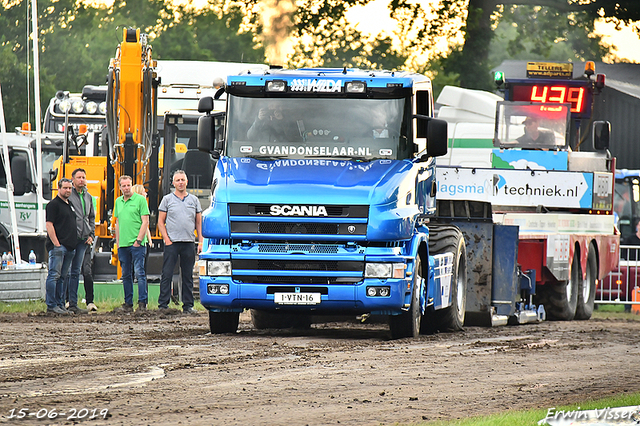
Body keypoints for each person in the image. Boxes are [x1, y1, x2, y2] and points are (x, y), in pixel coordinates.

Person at [157, 170, 203, 314]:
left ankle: (188, 306)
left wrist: (200, 241)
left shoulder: (194, 200)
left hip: (188, 242)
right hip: (172, 242)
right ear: (173, 183)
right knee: (167, 273)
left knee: (188, 275)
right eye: (178, 180)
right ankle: (163, 305)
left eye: (183, 180)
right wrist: (166, 239)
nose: (180, 182)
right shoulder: (167, 200)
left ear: (187, 182)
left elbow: (199, 222)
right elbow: (160, 221)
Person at [113, 175, 150, 313]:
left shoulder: (140, 200)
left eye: (129, 185)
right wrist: (118, 242)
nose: (126, 188)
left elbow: (145, 221)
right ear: (120, 187)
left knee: (139, 273)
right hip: (123, 245)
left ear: (131, 185)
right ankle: (128, 304)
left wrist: (138, 241)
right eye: (124, 186)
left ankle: (142, 303)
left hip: (137, 244)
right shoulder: (118, 201)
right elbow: (117, 222)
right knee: (126, 275)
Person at [64, 168, 95, 315]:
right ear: (73, 179)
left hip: (84, 240)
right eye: (79, 177)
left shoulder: (88, 196)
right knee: (67, 272)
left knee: (77, 272)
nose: (81, 179)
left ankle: (74, 304)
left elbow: (91, 217)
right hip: (71, 239)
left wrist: (91, 234)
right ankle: (65, 301)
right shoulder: (69, 195)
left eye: (83, 177)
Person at [44, 178, 77, 315]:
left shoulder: (70, 204)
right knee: (54, 275)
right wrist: (56, 244)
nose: (68, 190)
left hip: (69, 247)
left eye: (70, 188)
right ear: (59, 188)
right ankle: (51, 305)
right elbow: (49, 225)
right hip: (59, 247)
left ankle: (60, 304)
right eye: (65, 188)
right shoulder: (53, 205)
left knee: (63, 277)